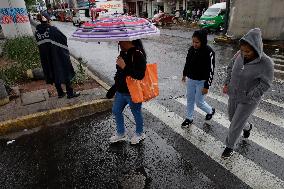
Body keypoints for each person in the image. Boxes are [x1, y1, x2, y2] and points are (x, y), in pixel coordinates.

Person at [221, 28, 274, 159]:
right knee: (232, 119)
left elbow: (266, 84)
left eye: (248, 51)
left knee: (235, 124)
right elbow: (230, 67)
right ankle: (248, 127)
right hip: (234, 94)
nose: (244, 54)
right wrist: (227, 83)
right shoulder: (239, 54)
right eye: (243, 50)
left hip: (249, 99)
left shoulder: (266, 63)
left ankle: (229, 146)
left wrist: (252, 95)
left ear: (256, 48)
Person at [109, 39, 147, 145]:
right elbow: (120, 73)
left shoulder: (138, 54)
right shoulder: (122, 53)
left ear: (128, 41)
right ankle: (121, 133)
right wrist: (114, 88)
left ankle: (140, 134)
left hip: (133, 92)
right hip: (121, 91)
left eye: (121, 41)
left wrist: (124, 66)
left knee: (136, 113)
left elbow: (140, 75)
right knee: (116, 110)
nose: (119, 43)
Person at [35, 12, 80, 99]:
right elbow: (63, 38)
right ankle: (70, 93)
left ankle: (60, 92)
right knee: (64, 70)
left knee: (52, 72)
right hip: (57, 55)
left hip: (46, 58)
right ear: (48, 19)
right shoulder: (52, 29)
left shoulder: (37, 32)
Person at [182, 30, 215, 127]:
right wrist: (184, 74)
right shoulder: (191, 49)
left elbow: (211, 70)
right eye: (193, 42)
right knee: (190, 99)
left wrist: (207, 86)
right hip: (191, 79)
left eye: (197, 42)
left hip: (202, 81)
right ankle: (189, 118)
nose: (194, 44)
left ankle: (210, 110)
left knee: (199, 102)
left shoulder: (209, 52)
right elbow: (187, 62)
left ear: (203, 41)